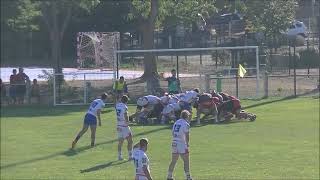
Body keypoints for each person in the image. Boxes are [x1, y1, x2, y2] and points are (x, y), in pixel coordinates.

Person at [167, 110, 192, 180]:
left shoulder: (176, 122)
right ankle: (188, 177)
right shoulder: (186, 124)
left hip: (174, 142)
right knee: (186, 161)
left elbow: (172, 133)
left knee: (174, 160)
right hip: (181, 144)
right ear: (187, 116)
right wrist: (187, 144)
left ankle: (169, 176)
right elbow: (187, 135)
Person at [115, 95, 133, 160]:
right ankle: (130, 156)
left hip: (119, 125)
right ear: (126, 101)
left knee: (120, 142)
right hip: (124, 126)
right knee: (130, 141)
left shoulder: (117, 105)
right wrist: (128, 122)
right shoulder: (125, 107)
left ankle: (119, 156)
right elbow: (126, 115)